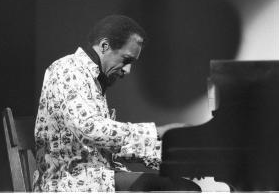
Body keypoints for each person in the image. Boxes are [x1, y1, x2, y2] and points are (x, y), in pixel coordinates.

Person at [32, 15, 194, 192]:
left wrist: (167, 159)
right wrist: (157, 132)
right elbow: (90, 129)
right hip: (67, 185)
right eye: (126, 60)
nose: (127, 70)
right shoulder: (66, 70)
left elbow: (110, 144)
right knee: (182, 190)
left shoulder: (93, 78)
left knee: (183, 186)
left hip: (95, 180)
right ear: (104, 46)